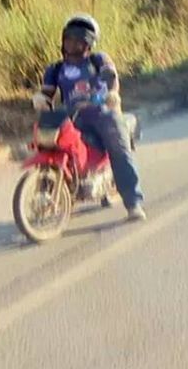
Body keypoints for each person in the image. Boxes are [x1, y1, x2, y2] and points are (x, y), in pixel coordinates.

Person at [32, 13, 146, 221]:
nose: (72, 44)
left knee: (119, 148)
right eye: (69, 39)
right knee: (49, 145)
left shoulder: (98, 60)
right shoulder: (55, 69)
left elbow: (111, 78)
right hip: (72, 116)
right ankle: (51, 195)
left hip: (101, 113)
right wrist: (41, 99)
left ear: (88, 43)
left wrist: (112, 94)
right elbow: (47, 93)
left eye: (78, 40)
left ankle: (133, 202)